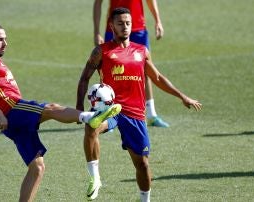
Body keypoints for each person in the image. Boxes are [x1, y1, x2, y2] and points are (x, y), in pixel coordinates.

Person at [0, 23, 121, 202]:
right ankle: (91, 117)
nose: (5, 43)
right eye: (0, 40)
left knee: (37, 167)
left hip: (12, 120)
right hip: (12, 110)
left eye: (5, 39)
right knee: (50, 108)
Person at [76, 8, 202, 201]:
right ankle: (95, 178)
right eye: (120, 23)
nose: (125, 27)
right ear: (112, 26)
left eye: (127, 23)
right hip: (110, 109)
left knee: (142, 164)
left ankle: (145, 199)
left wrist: (182, 96)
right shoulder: (102, 51)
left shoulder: (141, 51)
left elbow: (157, 78)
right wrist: (79, 108)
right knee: (91, 126)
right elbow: (84, 78)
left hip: (134, 113)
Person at [93, 0, 169, 127]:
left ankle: (151, 114)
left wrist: (158, 20)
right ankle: (108, 113)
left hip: (138, 28)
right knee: (108, 71)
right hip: (113, 29)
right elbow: (98, 3)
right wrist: (96, 31)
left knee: (145, 70)